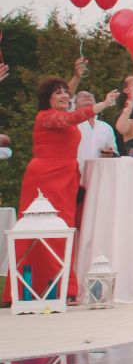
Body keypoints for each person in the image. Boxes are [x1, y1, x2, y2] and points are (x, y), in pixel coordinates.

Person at [16, 58, 95, 300]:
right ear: (47, 98)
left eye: (65, 92)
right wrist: (98, 106)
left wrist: (77, 76)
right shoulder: (46, 117)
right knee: (44, 229)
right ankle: (38, 288)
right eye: (57, 93)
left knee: (64, 229)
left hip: (66, 177)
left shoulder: (60, 111)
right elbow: (69, 119)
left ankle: (62, 288)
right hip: (45, 179)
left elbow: (67, 105)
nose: (64, 95)